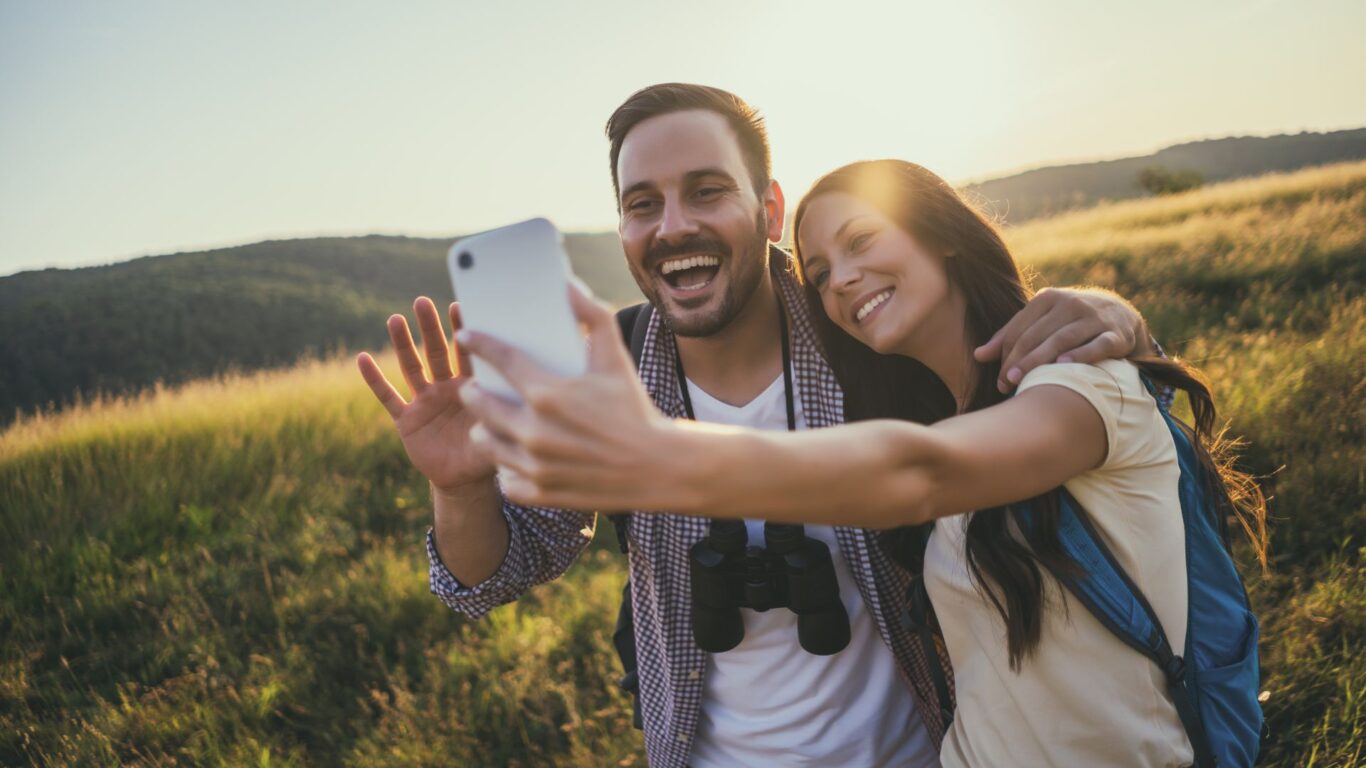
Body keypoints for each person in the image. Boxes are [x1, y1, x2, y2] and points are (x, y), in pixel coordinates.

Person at [357, 84, 1161, 768]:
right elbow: (504, 571)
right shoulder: (610, 370)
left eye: (706, 190)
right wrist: (460, 489)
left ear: (768, 208)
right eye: (643, 205)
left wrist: (1117, 317)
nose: (673, 226)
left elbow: (984, 375)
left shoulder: (861, 325)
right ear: (624, 230)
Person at [455, 159, 1270, 767]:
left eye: (862, 242)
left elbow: (916, 473)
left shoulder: (1072, 384)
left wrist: (659, 454)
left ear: (943, 233)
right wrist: (461, 480)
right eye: (820, 272)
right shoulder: (923, 399)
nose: (843, 280)